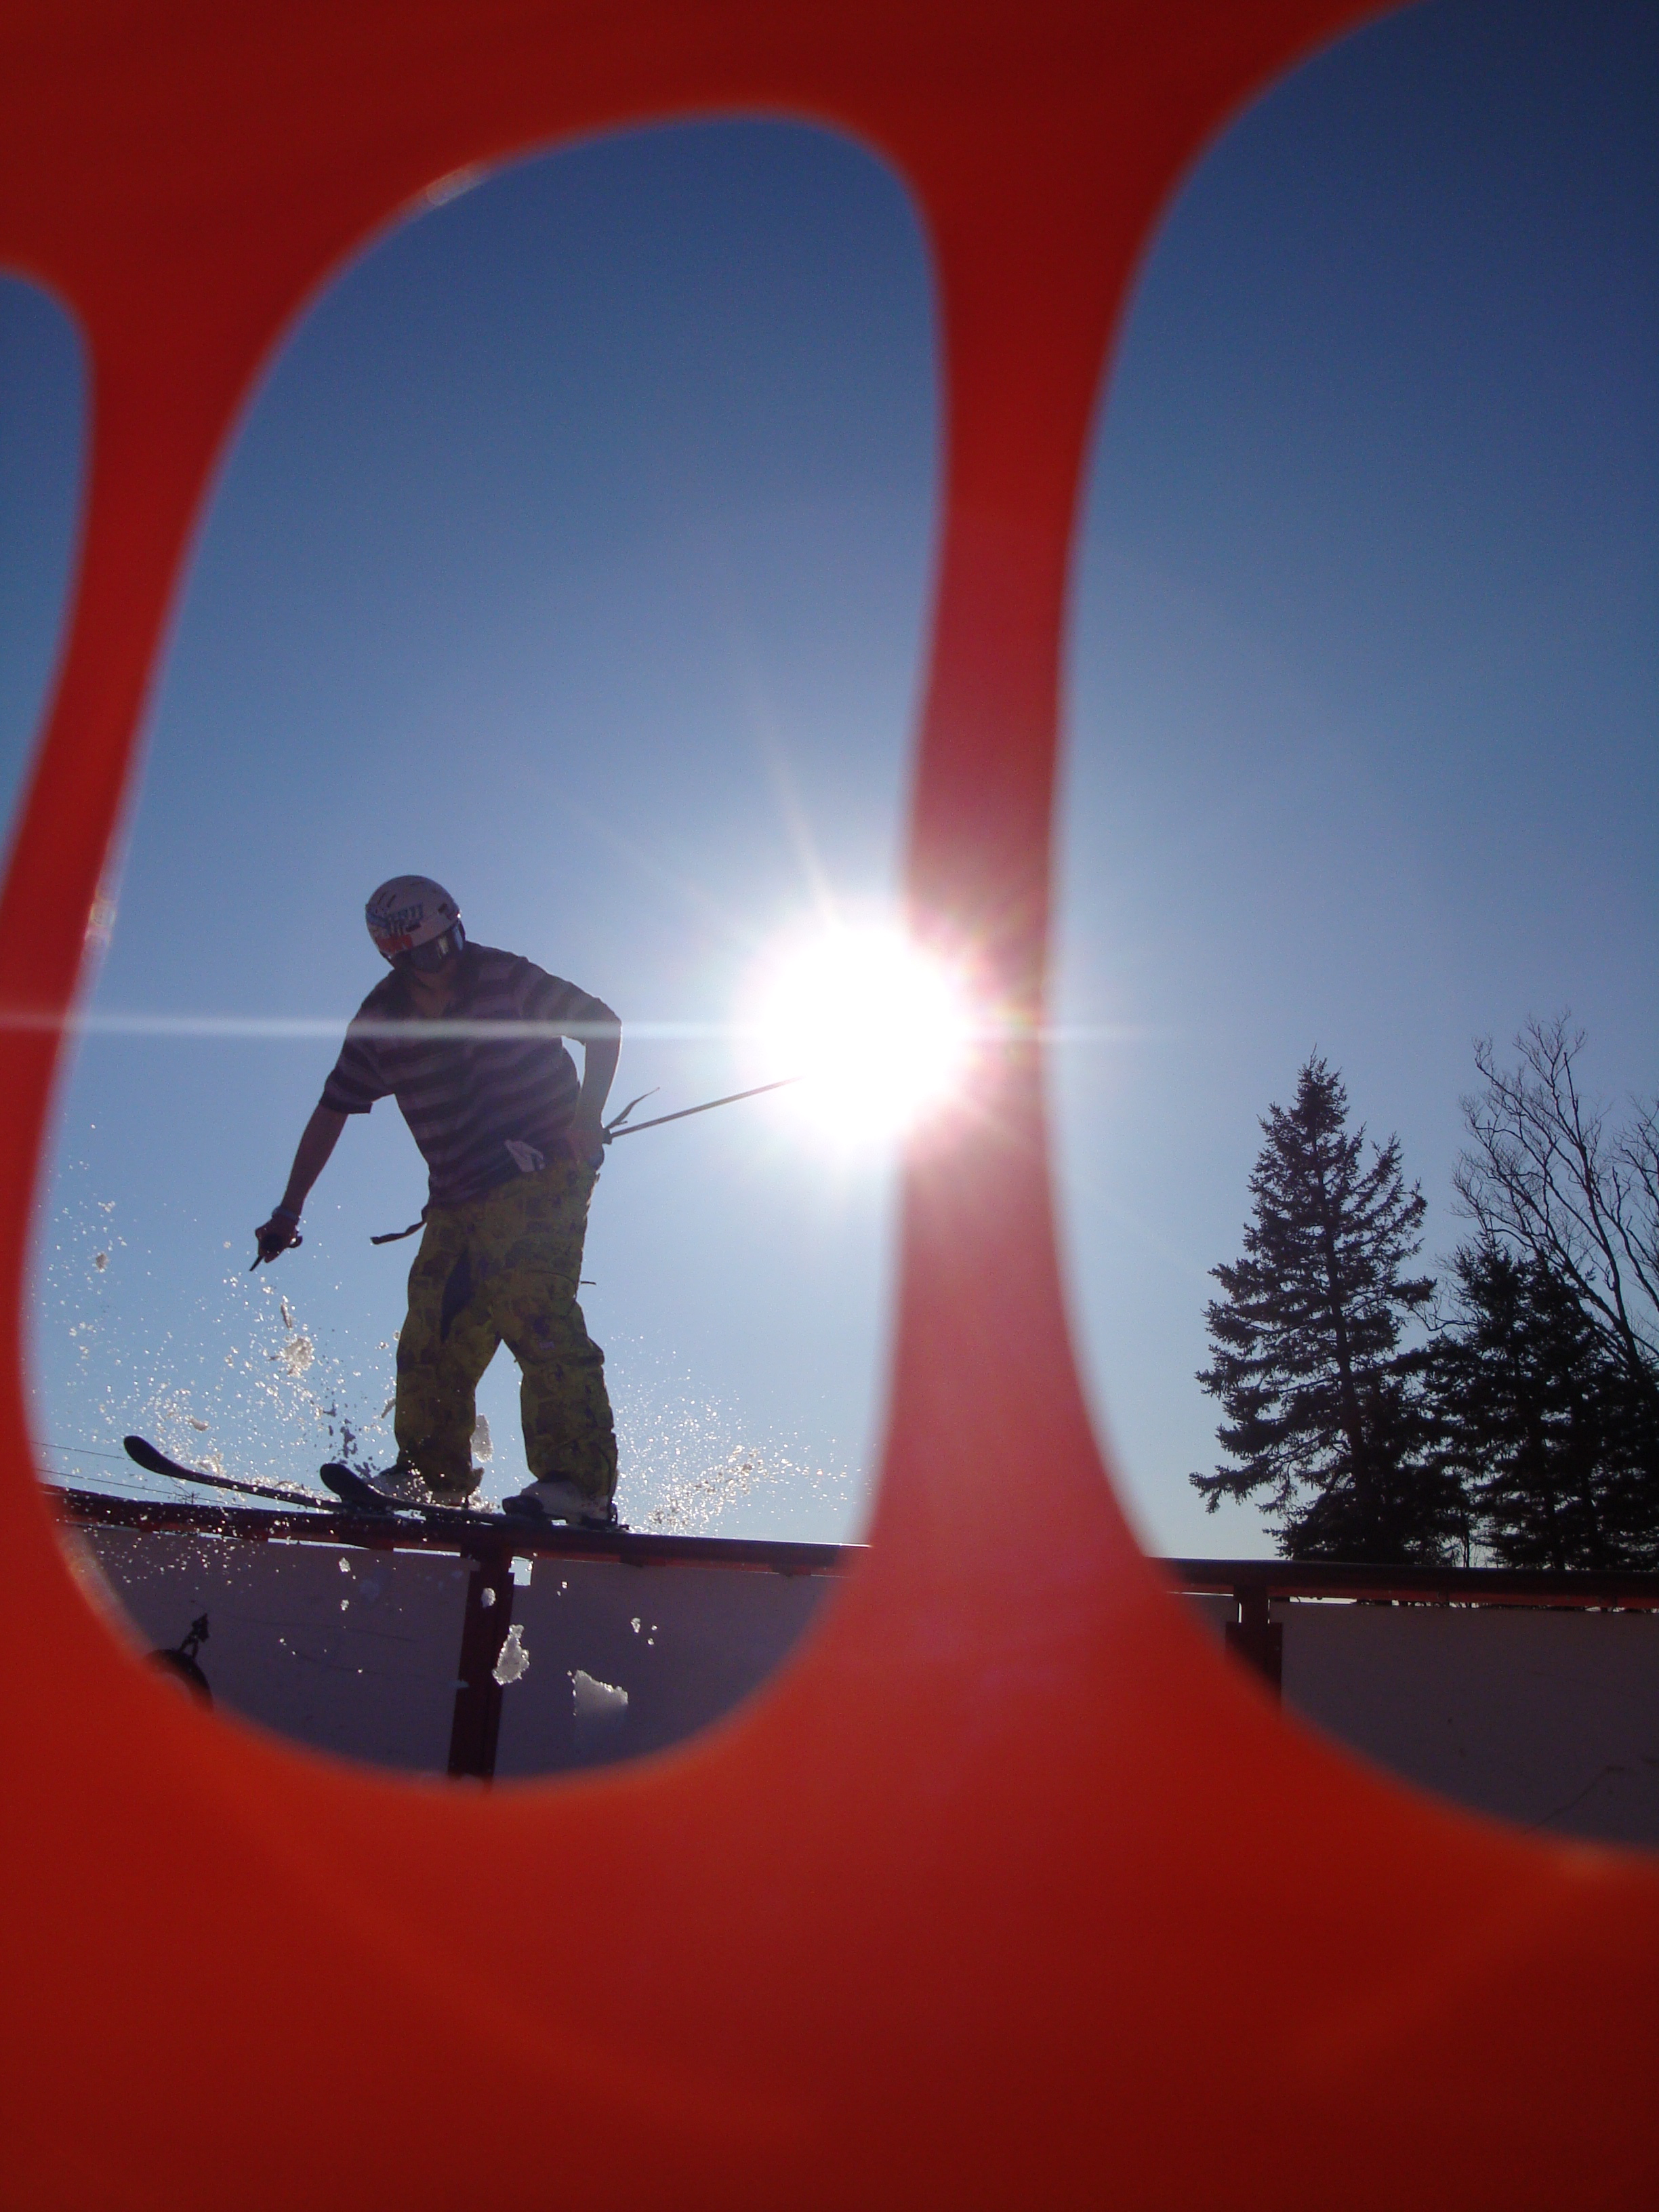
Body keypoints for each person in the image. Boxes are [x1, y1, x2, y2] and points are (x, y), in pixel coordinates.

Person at [253, 876, 623, 1528]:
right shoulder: (382, 1020)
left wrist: (586, 1116)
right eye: (424, 956)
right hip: (456, 1197)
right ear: (396, 958)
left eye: (450, 943)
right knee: (434, 1329)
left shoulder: (503, 976)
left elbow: (601, 1026)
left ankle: (579, 1483)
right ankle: (434, 1477)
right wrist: (289, 1209)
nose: (444, 963)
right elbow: (333, 1109)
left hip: (543, 1175)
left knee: (532, 1305)